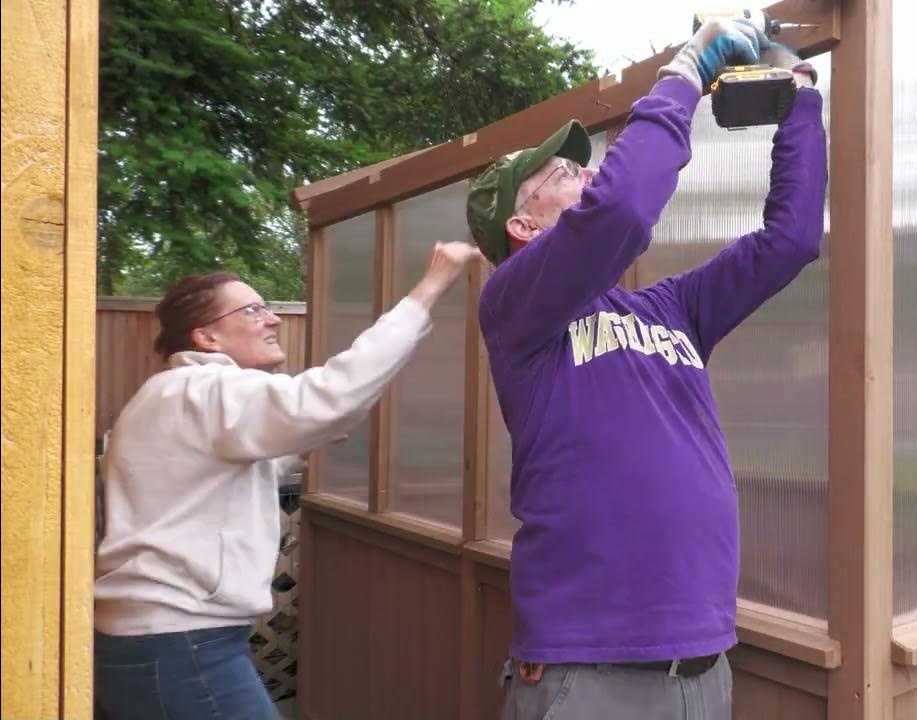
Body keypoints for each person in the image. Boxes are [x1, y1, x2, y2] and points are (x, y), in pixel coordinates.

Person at [465, 16, 826, 720]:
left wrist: (800, 96)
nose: (592, 172)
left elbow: (791, 240)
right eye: (566, 174)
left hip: (702, 666)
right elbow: (623, 209)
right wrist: (687, 69)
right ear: (524, 227)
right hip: (588, 673)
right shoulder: (515, 308)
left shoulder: (672, 309)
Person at [93, 241, 481, 719]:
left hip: (152, 639)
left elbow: (238, 468)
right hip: (181, 643)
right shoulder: (206, 388)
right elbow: (326, 399)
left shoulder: (168, 397)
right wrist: (430, 287)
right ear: (207, 339)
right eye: (253, 309)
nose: (272, 318)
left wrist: (318, 431)